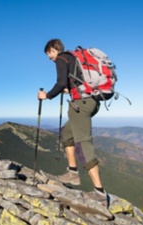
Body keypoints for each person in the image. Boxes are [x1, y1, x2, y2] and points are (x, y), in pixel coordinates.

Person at [38, 39, 108, 207]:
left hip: (81, 105)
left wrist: (46, 95)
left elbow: (61, 81)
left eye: (49, 53)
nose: (49, 58)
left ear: (54, 49)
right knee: (66, 134)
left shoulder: (62, 58)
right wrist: (69, 89)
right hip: (89, 102)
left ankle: (99, 193)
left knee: (83, 145)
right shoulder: (73, 58)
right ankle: (72, 173)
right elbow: (73, 82)